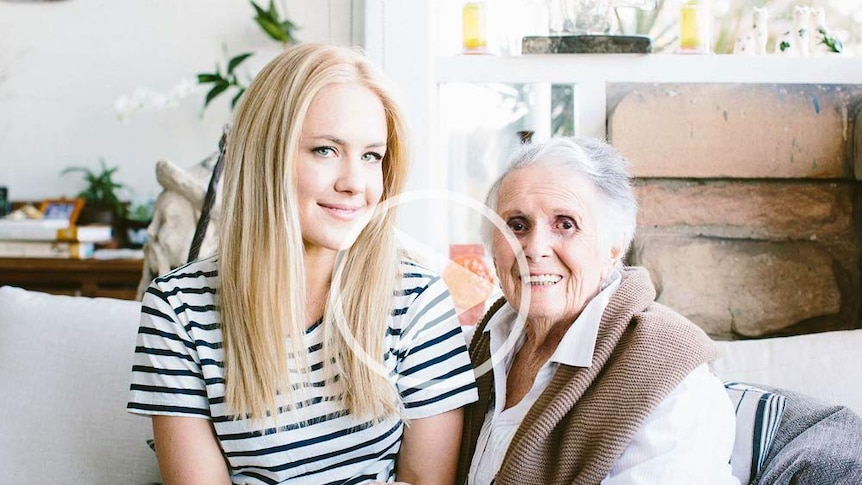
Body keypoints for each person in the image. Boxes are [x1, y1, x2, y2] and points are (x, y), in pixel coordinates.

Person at [128, 44, 478, 485]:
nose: (355, 183)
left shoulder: (417, 301)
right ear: (265, 157)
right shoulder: (177, 310)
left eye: (372, 156)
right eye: (326, 150)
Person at [456, 137, 740, 485]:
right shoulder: (477, 346)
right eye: (517, 225)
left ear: (612, 250)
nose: (535, 248)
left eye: (565, 224)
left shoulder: (671, 380)